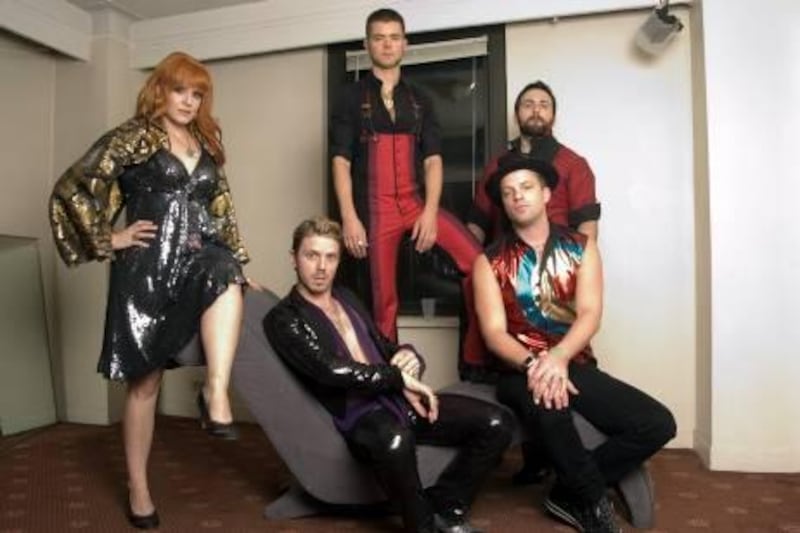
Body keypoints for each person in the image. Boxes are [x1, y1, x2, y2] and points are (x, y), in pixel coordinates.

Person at [49, 52, 255, 529]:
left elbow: (222, 211)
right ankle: (139, 489)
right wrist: (109, 238)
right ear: (160, 90)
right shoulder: (132, 136)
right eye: (180, 90)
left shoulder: (205, 139)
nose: (188, 100)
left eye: (197, 93)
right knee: (144, 384)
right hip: (144, 271)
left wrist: (242, 265)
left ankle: (215, 394)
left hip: (195, 259)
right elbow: (73, 187)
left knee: (225, 270)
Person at [264, 217, 512, 533]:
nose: (321, 267)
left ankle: (448, 504)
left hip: (397, 399)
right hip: (357, 415)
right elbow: (330, 370)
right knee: (395, 440)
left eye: (330, 257)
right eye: (311, 255)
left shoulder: (347, 297)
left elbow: (383, 345)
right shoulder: (284, 318)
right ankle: (422, 526)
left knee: (497, 424)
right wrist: (397, 378)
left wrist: (407, 355)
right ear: (294, 258)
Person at [472, 154, 675, 532]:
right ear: (502, 203)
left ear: (547, 193)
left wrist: (560, 357)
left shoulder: (583, 247)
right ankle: (591, 502)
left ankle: (569, 490)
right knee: (550, 406)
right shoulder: (489, 262)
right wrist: (536, 365)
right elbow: (495, 334)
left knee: (657, 423)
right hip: (518, 369)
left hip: (574, 361)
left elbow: (589, 314)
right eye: (508, 192)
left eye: (526, 187)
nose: (518, 196)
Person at [329, 8, 483, 358]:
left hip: (415, 204)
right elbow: (340, 160)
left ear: (405, 44)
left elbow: (433, 160)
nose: (387, 44)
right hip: (375, 210)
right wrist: (350, 217)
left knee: (479, 265)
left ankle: (476, 359)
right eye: (379, 37)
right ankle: (393, 384)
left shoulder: (420, 99)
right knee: (383, 302)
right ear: (367, 44)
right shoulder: (350, 98)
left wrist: (429, 214)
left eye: (394, 37)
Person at [467, 80, 601, 246]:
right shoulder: (495, 167)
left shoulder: (575, 164)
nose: (536, 110)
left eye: (544, 105)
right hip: (503, 264)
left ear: (553, 117)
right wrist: (472, 266)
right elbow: (477, 222)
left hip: (559, 264)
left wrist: (583, 267)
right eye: (528, 105)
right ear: (516, 115)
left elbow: (586, 223)